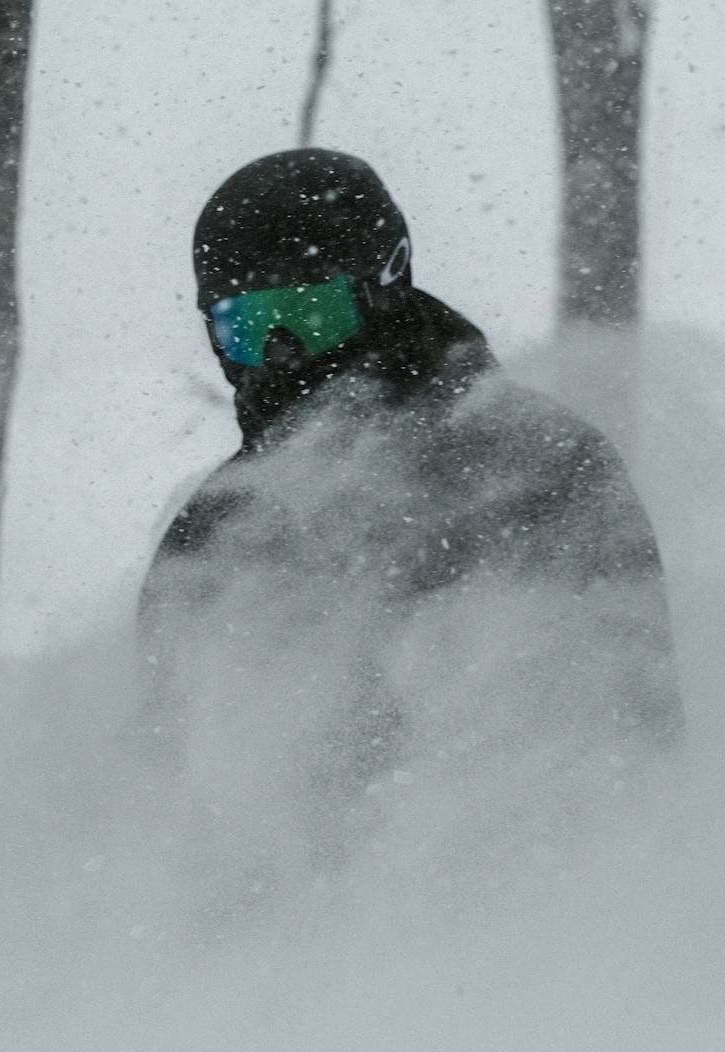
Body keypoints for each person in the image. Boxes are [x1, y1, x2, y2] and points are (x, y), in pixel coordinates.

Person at [137, 149, 681, 854]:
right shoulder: (214, 531)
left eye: (309, 313)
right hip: (288, 934)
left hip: (530, 906)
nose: (280, 352)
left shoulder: (534, 468)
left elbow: (634, 731)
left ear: (385, 288)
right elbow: (163, 780)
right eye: (246, 325)